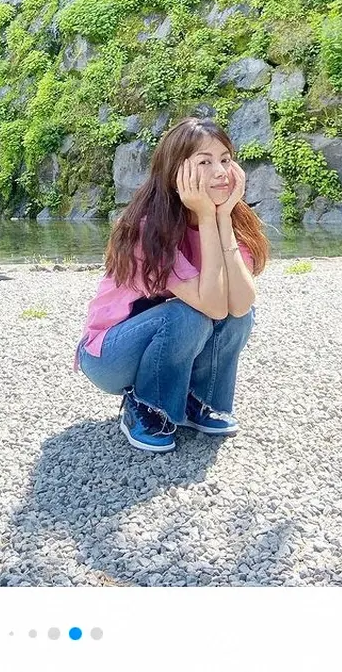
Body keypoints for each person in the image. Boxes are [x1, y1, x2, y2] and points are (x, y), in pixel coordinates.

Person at [76, 116, 270, 453]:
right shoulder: (150, 227)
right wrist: (207, 216)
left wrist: (222, 218)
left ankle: (195, 399)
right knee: (187, 315)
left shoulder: (233, 218)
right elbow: (208, 306)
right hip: (110, 355)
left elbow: (239, 305)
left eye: (225, 160)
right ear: (178, 173)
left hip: (166, 335)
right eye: (205, 163)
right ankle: (148, 406)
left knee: (240, 313)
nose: (221, 171)